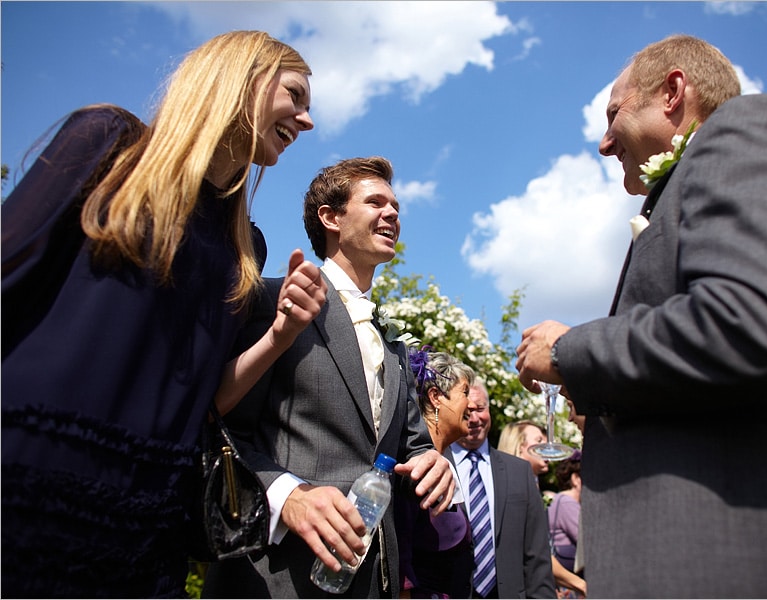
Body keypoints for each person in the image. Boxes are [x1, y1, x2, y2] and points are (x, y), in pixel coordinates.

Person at [515, 34, 767, 598]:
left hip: (759, 560)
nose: (602, 143)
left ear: (673, 92)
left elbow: (754, 324)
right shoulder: (679, 190)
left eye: (613, 113)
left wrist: (572, 352)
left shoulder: (749, 132)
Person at [1, 31, 324, 597]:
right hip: (31, 470)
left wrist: (280, 333)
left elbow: (209, 403)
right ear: (241, 76)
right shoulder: (108, 142)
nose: (305, 119)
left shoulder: (244, 243)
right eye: (295, 95)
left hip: (148, 516)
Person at [202, 156, 456, 598]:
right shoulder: (274, 301)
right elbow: (218, 428)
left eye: (395, 205)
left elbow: (413, 445)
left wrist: (435, 461)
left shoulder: (393, 342)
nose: (393, 213)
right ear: (331, 217)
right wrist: (288, 497)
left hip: (375, 581)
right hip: (279, 576)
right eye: (375, 202)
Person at [449, 379, 556, 599]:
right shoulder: (437, 464)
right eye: (467, 411)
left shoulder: (519, 472)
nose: (475, 418)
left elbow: (537, 556)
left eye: (480, 409)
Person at [396, 350, 477, 599]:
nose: (472, 404)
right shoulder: (414, 469)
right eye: (464, 393)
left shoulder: (445, 463)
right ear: (436, 397)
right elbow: (401, 567)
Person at [496, 420, 587, 598]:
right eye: (539, 439)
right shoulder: (513, 490)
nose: (546, 446)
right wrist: (581, 584)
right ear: (519, 446)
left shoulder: (530, 486)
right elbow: (534, 552)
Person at [547, 451, 582, 599]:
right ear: (575, 479)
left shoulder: (561, 500)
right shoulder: (567, 503)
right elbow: (586, 540)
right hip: (569, 588)